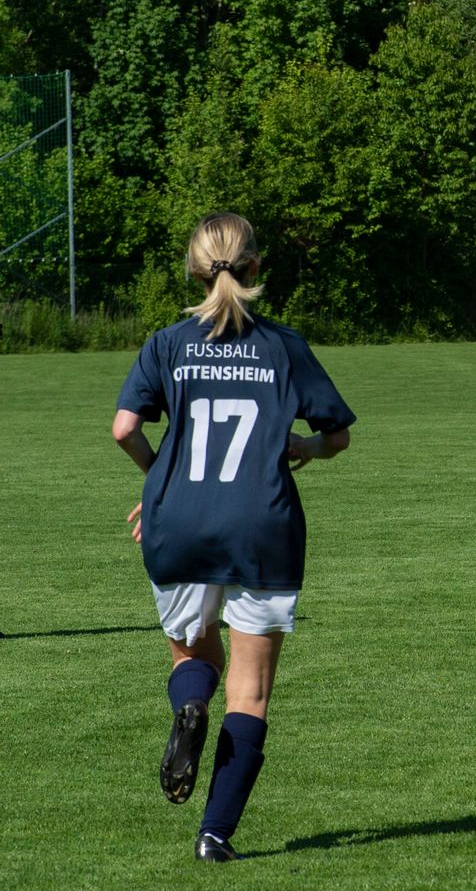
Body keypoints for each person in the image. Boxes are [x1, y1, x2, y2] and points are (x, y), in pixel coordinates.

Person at [113, 212, 356, 861]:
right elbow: (336, 436)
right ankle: (214, 835)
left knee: (196, 658)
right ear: (255, 267)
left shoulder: (167, 343)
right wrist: (303, 445)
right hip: (263, 526)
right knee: (249, 690)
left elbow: (124, 428)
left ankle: (191, 707)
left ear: (193, 271)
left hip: (180, 522)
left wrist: (160, 483)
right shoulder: (283, 345)